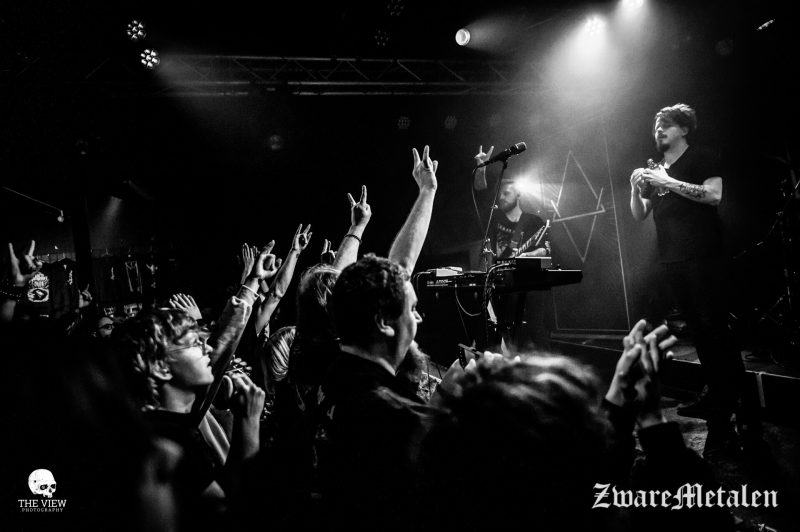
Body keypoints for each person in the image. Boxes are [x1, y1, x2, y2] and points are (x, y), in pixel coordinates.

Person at [628, 103, 760, 456]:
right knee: (699, 334)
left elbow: (713, 195)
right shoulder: (657, 169)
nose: (659, 130)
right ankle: (717, 396)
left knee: (717, 332)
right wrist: (635, 187)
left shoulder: (701, 157)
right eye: (656, 126)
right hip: (672, 261)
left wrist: (667, 182)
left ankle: (744, 408)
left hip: (704, 257)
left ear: (684, 129)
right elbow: (640, 214)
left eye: (667, 124)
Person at [474, 146, 551, 352]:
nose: (501, 197)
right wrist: (481, 169)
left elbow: (545, 250)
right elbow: (481, 195)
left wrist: (528, 255)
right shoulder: (494, 218)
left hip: (530, 282)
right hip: (502, 281)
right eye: (500, 194)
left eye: (506, 193)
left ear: (518, 193)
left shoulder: (534, 221)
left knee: (536, 327)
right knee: (502, 328)